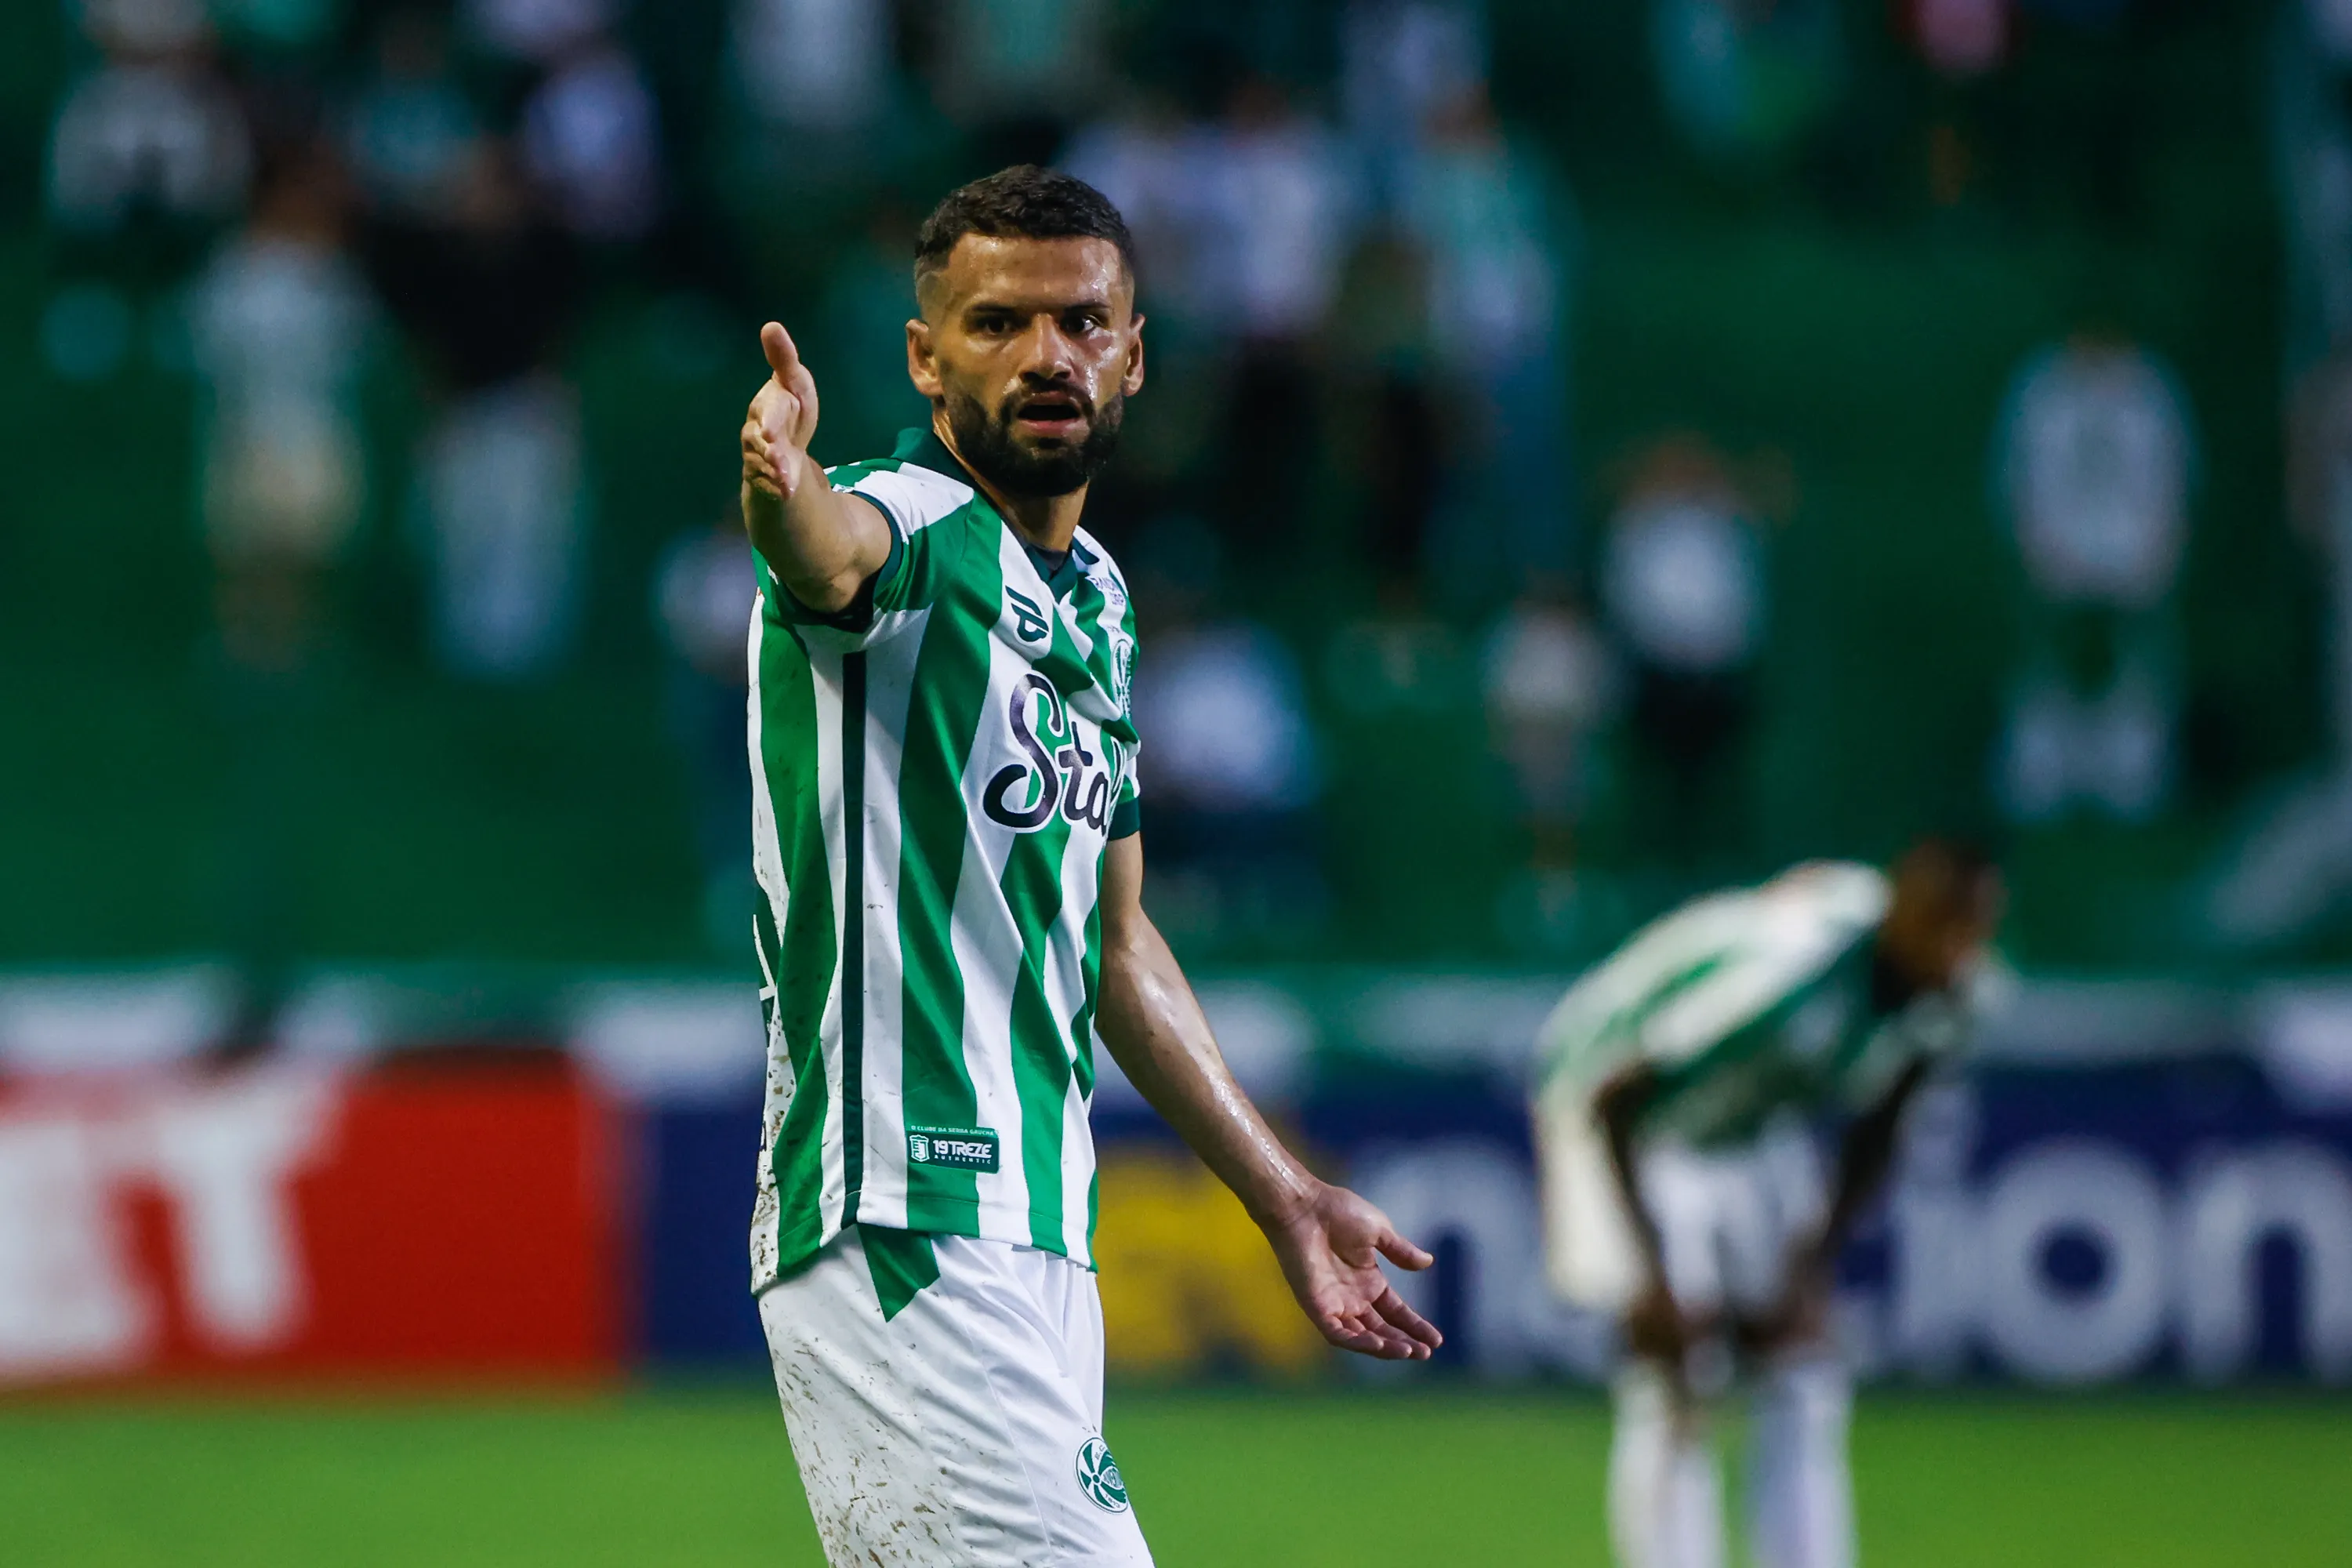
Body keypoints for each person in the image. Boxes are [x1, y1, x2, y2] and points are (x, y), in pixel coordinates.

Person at [735, 165, 1441, 1568]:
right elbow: (826, 555)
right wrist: (781, 485)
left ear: (1133, 354)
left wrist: (1284, 1191)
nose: (1046, 354)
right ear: (927, 357)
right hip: (905, 1206)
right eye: (998, 323)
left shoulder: (1099, 601)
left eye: (1080, 321)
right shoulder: (904, 521)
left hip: (1044, 1230)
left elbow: (1115, 942)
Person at [1530, 840, 2002, 1568]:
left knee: (1801, 1365)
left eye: (1973, 929)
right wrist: (1652, 1274)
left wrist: (1807, 1268)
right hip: (1608, 1097)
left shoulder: (1952, 993)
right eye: (1945, 926)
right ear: (1903, 916)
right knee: (1674, 1368)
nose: (1958, 950)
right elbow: (1615, 1097)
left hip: (1744, 1121)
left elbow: (1879, 1128)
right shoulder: (1785, 980)